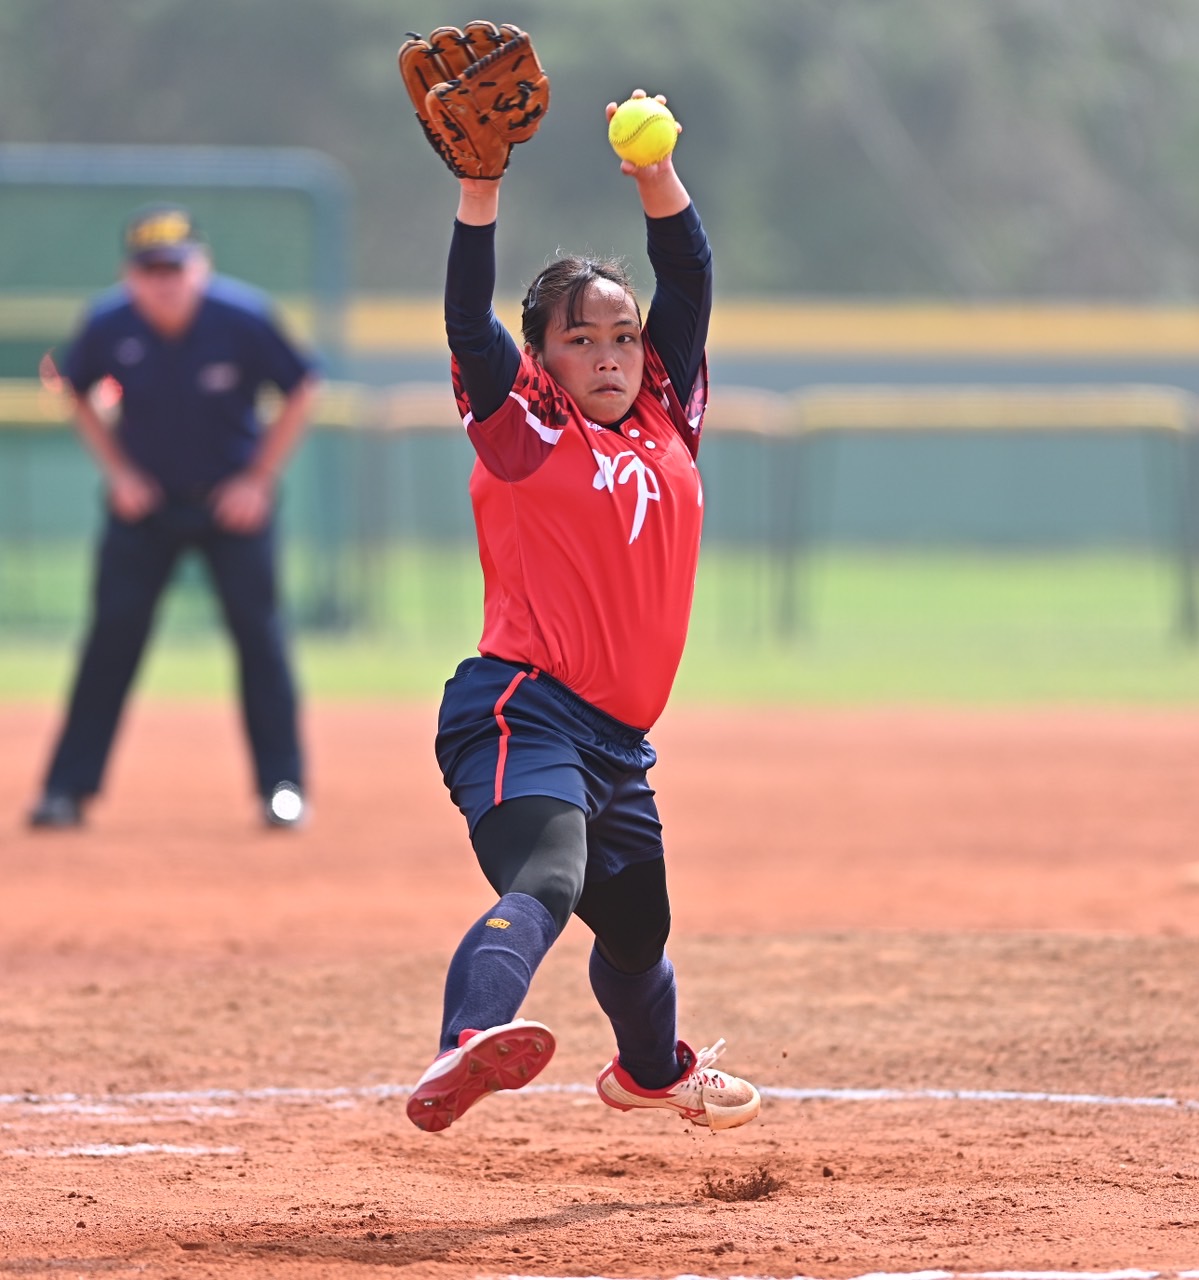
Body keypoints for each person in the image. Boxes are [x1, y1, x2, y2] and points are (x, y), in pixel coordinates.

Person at [405, 90, 761, 1134]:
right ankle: (463, 1042)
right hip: (520, 707)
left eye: (621, 334)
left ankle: (651, 1070)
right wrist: (480, 188)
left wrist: (653, 170)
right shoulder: (524, 430)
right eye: (581, 338)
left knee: (640, 928)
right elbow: (466, 321)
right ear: (543, 360)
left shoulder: (663, 411)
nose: (608, 353)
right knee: (549, 874)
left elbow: (688, 272)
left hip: (616, 736)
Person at [27, 203, 319, 831]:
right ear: (130, 275)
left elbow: (302, 387)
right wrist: (119, 473)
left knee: (259, 640)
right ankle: (65, 791)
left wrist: (258, 480)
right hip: (146, 505)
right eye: (149, 268)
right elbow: (71, 387)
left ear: (201, 266)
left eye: (175, 266)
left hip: (230, 504)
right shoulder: (110, 323)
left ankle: (283, 789)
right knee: (111, 639)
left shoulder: (241, 318)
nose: (163, 280)